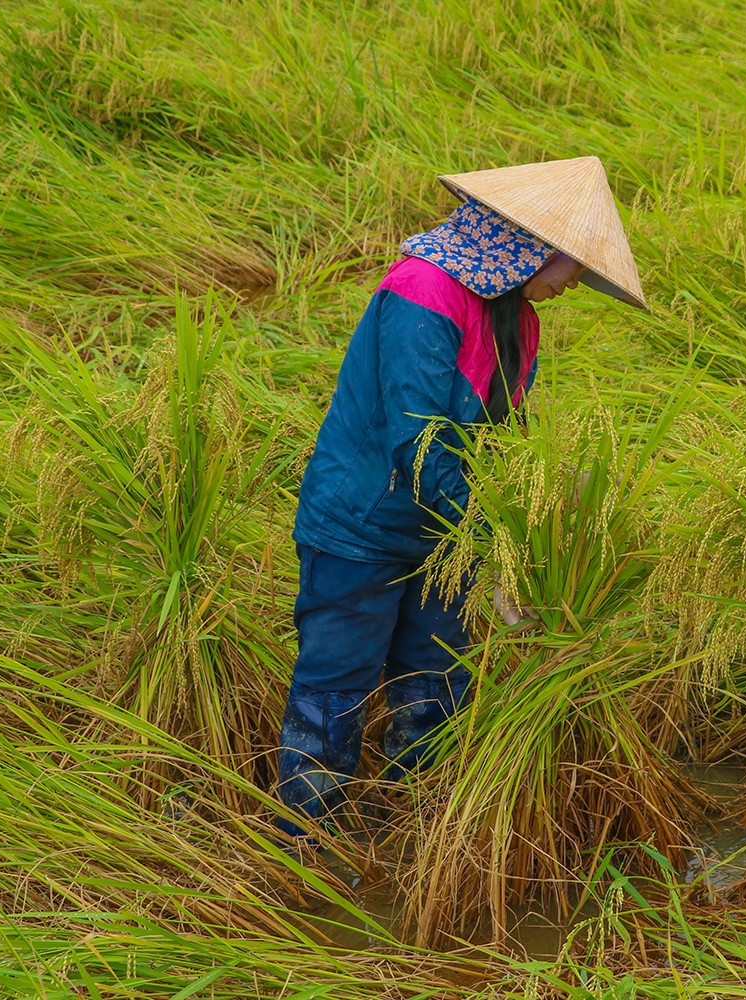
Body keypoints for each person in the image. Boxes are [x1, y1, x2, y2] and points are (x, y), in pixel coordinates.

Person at [275, 156, 647, 841]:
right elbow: (416, 444)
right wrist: (490, 539)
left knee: (439, 679)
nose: (571, 284)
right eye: (570, 265)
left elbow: (502, 441)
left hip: (445, 536)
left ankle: (412, 827)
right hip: (362, 525)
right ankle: (307, 843)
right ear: (528, 246)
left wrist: (531, 533)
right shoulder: (422, 291)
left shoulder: (517, 318)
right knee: (336, 681)